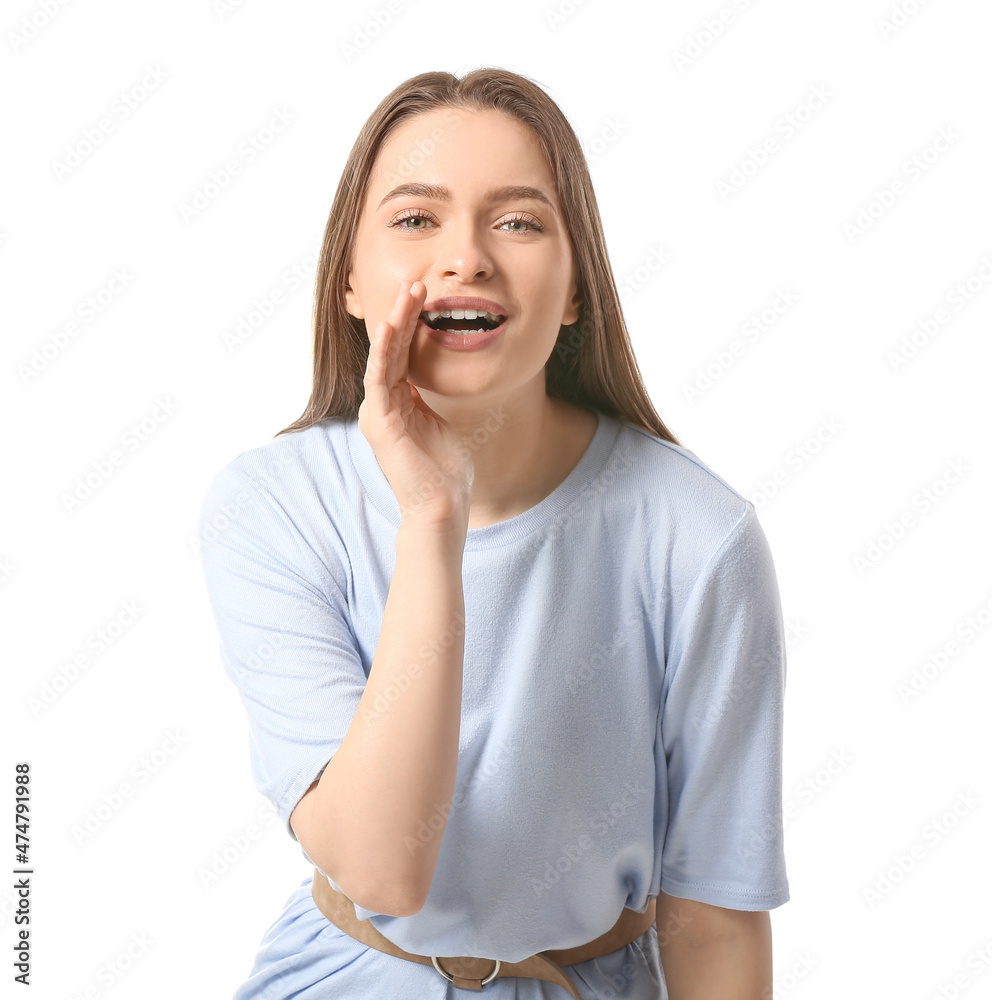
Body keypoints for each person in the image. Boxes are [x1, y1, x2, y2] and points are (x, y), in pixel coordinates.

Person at [198, 66, 789, 1000]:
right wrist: (434, 518)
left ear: (575, 293)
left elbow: (714, 919)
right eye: (415, 219)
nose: (465, 257)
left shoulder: (697, 535)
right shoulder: (274, 504)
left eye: (518, 221)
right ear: (350, 282)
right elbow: (382, 868)